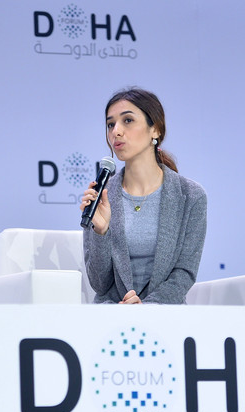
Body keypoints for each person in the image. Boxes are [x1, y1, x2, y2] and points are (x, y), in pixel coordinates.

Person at [79, 87, 207, 304]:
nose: (116, 131)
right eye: (110, 124)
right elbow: (99, 284)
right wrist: (101, 232)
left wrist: (147, 308)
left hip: (166, 315)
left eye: (127, 120)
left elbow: (184, 273)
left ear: (155, 129)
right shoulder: (102, 195)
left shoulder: (190, 196)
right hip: (111, 313)